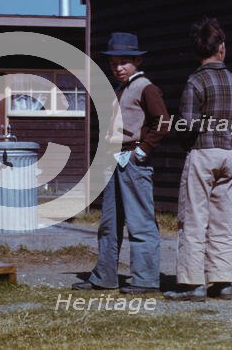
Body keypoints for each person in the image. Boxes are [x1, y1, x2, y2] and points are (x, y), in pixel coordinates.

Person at [72, 32, 170, 294]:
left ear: (137, 62)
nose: (118, 68)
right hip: (114, 159)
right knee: (109, 222)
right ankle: (104, 276)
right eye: (114, 63)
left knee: (140, 221)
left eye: (124, 62)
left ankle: (146, 279)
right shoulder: (119, 89)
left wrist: (143, 150)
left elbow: (162, 121)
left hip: (134, 161)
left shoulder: (145, 87)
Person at [163, 17, 232, 302]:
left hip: (202, 151)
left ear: (197, 50)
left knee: (194, 218)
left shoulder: (195, 81)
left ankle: (192, 283)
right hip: (229, 153)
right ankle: (223, 281)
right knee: (224, 218)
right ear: (221, 48)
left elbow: (187, 124)